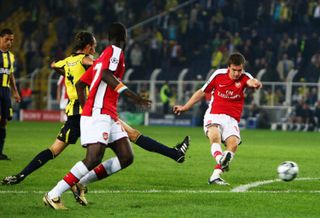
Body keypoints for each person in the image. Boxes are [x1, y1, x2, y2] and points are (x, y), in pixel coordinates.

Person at [2, 31, 189, 186]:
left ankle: (21, 175)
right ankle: (174, 153)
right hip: (91, 112)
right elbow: (101, 67)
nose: (95, 49)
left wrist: (60, 68)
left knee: (54, 150)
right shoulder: (87, 60)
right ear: (88, 47)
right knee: (131, 138)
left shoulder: (66, 61)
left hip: (74, 113)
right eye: (94, 46)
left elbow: (54, 65)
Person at [42, 23, 186, 210]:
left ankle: (80, 183)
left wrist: (87, 108)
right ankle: (53, 194)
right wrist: (132, 96)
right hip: (99, 113)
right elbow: (105, 74)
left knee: (126, 157)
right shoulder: (115, 52)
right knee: (93, 158)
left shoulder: (102, 56)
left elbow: (80, 83)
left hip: (105, 113)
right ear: (124, 38)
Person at [173, 52, 262, 185]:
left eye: (240, 70)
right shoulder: (218, 75)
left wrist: (256, 83)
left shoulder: (245, 77)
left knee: (233, 144)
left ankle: (215, 175)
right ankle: (221, 159)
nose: (237, 73)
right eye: (234, 70)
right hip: (214, 114)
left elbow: (251, 81)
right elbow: (202, 92)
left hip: (232, 119)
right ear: (228, 67)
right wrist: (185, 107)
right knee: (215, 137)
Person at [0, 28, 21, 160]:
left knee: (3, 121)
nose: (9, 42)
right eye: (6, 39)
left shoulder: (11, 56)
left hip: (5, 90)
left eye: (11, 40)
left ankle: (0, 152)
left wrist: (15, 92)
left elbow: (11, 75)